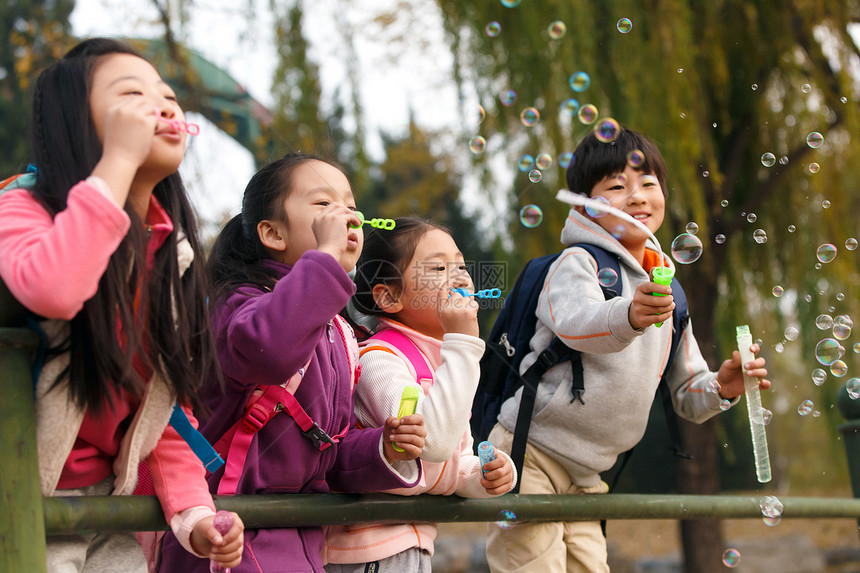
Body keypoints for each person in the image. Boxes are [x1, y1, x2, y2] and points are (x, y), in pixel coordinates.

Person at [0, 38, 244, 571]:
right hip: (17, 504)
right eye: (132, 93)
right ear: (75, 125)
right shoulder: (19, 207)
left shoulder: (169, 256)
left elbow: (161, 409)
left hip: (107, 512)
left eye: (168, 94)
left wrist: (195, 514)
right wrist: (118, 160)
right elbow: (55, 287)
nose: (163, 104)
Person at [484, 127, 771, 573]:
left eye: (648, 184)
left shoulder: (668, 288)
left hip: (589, 474)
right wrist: (629, 316)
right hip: (529, 452)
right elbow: (579, 325)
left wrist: (722, 387)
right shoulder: (576, 264)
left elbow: (686, 396)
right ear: (587, 205)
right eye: (616, 186)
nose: (636, 195)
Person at [158, 153, 426, 573]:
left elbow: (328, 452)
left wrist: (384, 448)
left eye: (350, 204)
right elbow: (271, 350)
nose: (345, 215)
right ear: (272, 233)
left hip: (298, 542)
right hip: (226, 536)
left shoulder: (338, 330)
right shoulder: (239, 305)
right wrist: (328, 258)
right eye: (323, 204)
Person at [324, 218, 516, 572]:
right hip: (367, 550)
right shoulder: (379, 359)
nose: (459, 276)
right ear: (389, 296)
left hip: (410, 544)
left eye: (460, 264)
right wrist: (463, 344)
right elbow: (434, 444)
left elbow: (449, 464)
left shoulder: (444, 361)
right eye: (439, 267)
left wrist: (484, 475)